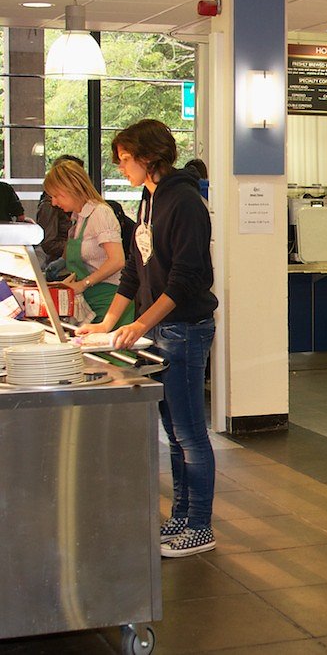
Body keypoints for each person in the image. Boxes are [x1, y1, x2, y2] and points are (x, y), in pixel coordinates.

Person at [79, 119, 218, 558]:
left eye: (125, 159)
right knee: (173, 431)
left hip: (184, 329)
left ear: (149, 156)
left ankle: (200, 525)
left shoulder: (185, 201)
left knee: (190, 433)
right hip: (159, 329)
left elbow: (185, 279)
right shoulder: (148, 199)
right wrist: (108, 323)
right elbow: (135, 270)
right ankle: (181, 515)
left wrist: (140, 324)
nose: (120, 167)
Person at [42, 159, 135, 327]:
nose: (54, 202)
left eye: (56, 196)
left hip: (109, 301)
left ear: (72, 188)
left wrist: (84, 284)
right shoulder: (77, 218)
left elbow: (117, 260)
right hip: (90, 300)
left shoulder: (100, 213)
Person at [37, 154, 83, 266]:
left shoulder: (85, 209)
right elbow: (49, 243)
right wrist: (79, 248)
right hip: (64, 266)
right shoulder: (49, 206)